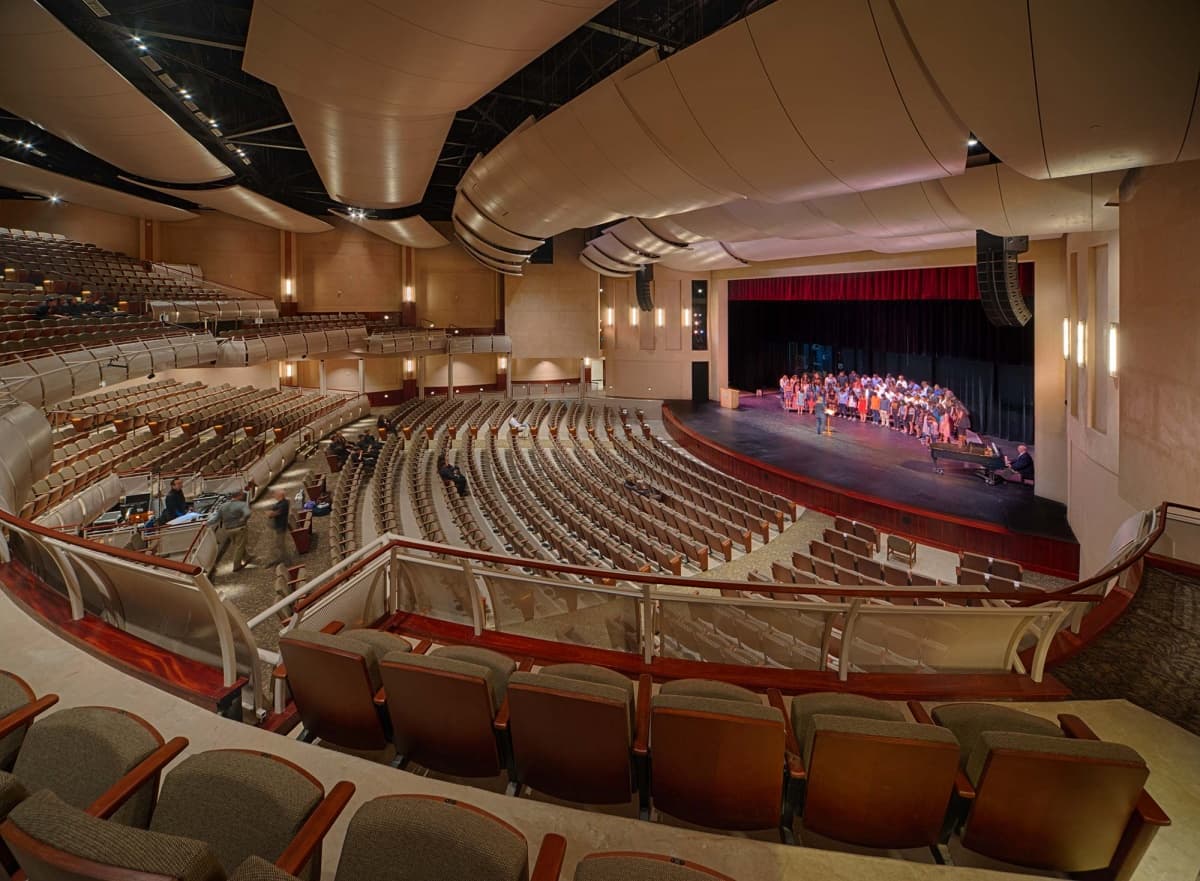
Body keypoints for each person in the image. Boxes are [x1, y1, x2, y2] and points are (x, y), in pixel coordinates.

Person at [214, 490, 251, 571]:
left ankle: (247, 557)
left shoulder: (223, 506)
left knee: (239, 544)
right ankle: (236, 565)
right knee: (239, 546)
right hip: (240, 528)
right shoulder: (241, 504)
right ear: (239, 496)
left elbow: (216, 518)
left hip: (229, 529)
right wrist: (243, 519)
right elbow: (248, 513)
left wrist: (206, 523)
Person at [266, 488, 293, 567]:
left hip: (281, 527)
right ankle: (281, 559)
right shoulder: (281, 503)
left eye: (275, 494)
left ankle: (287, 562)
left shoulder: (284, 504)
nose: (273, 495)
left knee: (280, 545)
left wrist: (270, 513)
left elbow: (272, 514)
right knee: (279, 545)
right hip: (278, 527)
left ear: (280, 495)